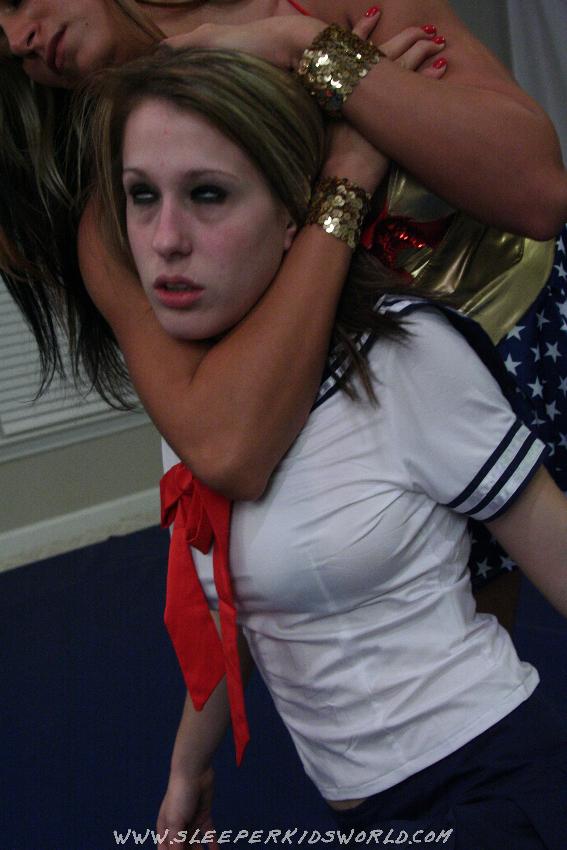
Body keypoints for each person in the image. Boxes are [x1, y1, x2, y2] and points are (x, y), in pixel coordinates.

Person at [84, 45, 567, 846]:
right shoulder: (196, 401)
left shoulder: (401, 360)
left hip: (492, 782)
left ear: (292, 216)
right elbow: (237, 611)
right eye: (142, 195)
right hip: (365, 813)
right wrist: (186, 772)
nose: (164, 239)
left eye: (207, 194)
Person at [0, 3, 565, 619]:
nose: (16, 38)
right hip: (386, 425)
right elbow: (228, 450)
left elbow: (539, 193)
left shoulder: (337, 8)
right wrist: (350, 169)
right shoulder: (116, 215)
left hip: (539, 331)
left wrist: (302, 44)